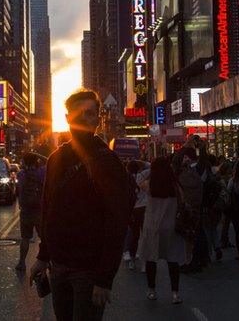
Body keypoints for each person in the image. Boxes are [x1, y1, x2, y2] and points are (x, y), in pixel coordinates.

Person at [29, 90, 135, 321]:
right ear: (67, 118)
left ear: (98, 119)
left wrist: (104, 279)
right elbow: (49, 211)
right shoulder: (56, 159)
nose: (83, 119)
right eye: (78, 113)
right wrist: (43, 256)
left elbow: (117, 223)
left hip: (89, 272)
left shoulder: (107, 161)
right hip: (58, 268)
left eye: (90, 113)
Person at [137, 156, 188, 304]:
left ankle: (152, 290)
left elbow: (140, 181)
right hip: (171, 227)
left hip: (152, 227)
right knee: (173, 261)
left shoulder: (150, 185)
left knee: (151, 258)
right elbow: (183, 201)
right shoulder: (175, 186)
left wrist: (150, 170)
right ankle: (175, 293)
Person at [175, 147, 204, 272]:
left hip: (186, 208)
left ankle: (187, 261)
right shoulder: (197, 172)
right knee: (195, 234)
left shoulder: (181, 176)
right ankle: (196, 259)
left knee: (186, 237)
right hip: (197, 206)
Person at [16, 152, 46, 271]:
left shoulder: (21, 174)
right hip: (39, 210)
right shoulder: (41, 172)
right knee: (44, 237)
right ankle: (46, 261)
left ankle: (22, 263)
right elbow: (50, 161)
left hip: (25, 211)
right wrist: (38, 155)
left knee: (25, 238)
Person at [123, 160, 148, 270]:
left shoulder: (126, 180)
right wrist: (139, 161)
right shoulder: (143, 175)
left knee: (134, 235)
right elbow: (150, 165)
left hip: (133, 210)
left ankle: (132, 259)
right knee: (145, 236)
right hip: (144, 208)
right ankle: (145, 263)